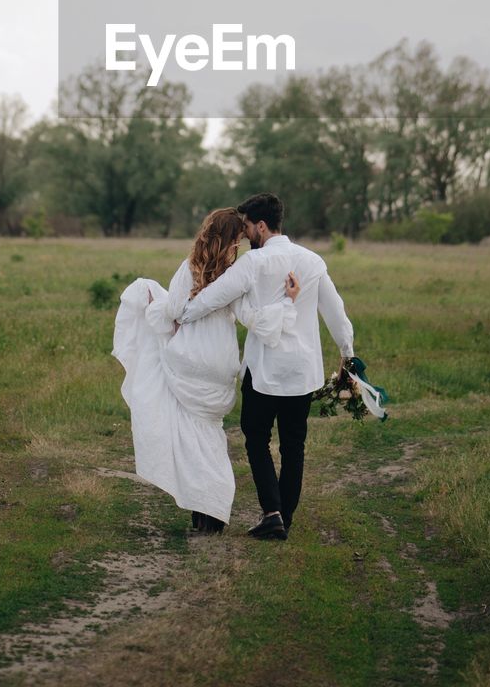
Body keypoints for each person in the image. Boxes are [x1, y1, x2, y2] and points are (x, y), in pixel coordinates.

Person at [176, 192, 354, 542]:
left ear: (261, 225)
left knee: (256, 440)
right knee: (293, 446)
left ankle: (272, 512)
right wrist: (348, 354)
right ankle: (283, 517)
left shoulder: (252, 266)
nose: (243, 236)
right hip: (303, 374)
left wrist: (182, 314)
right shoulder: (312, 261)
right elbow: (336, 312)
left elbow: (213, 297)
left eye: (245, 228)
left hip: (263, 373)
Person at [112, 207, 300, 534]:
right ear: (227, 241)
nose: (237, 248)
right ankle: (209, 510)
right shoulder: (232, 277)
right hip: (220, 366)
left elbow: (173, 311)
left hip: (187, 360)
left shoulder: (189, 269)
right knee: (210, 436)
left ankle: (204, 509)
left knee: (188, 435)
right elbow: (253, 319)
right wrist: (287, 302)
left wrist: (156, 303)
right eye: (236, 242)